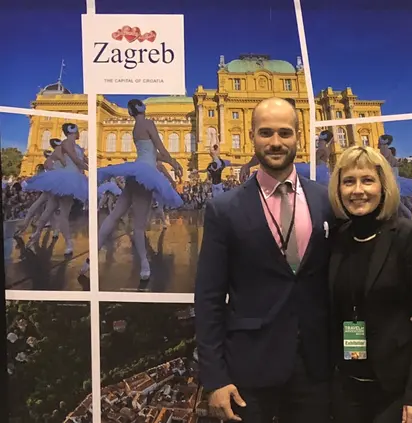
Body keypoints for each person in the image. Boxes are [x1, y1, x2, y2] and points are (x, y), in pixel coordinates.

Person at [195, 98, 336, 423]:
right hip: (249, 369)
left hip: (315, 367)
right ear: (252, 137)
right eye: (266, 132)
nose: (275, 142)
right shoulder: (224, 209)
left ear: (298, 136)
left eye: (285, 133)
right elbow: (209, 298)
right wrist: (214, 378)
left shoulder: (325, 200)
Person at [327, 145, 412, 423]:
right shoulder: (337, 238)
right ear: (338, 189)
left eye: (367, 180)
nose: (358, 190)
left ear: (383, 186)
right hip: (347, 386)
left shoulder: (408, 236)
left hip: (394, 390)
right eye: (348, 181)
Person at [81, 98, 184, 281]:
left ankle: (90, 258)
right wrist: (174, 163)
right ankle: (144, 264)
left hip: (136, 173)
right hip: (146, 174)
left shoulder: (136, 128)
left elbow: (153, 153)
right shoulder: (148, 123)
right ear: (140, 108)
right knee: (139, 226)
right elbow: (160, 148)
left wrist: (170, 161)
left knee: (114, 216)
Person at [21, 124, 88, 253]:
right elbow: (75, 160)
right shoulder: (66, 143)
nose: (80, 133)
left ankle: (36, 234)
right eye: (78, 130)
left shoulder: (77, 147)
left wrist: (88, 165)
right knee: (62, 214)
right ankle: (68, 243)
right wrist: (92, 170)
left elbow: (83, 160)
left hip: (66, 179)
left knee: (50, 209)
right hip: (67, 180)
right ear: (72, 131)